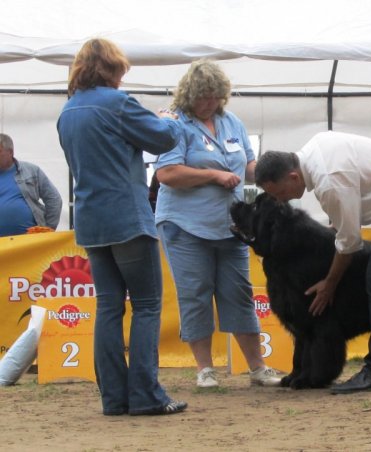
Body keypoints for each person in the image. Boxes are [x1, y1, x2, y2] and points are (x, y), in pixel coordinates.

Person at [56, 38, 187, 416]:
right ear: (112, 69)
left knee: (108, 308)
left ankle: (114, 397)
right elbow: (162, 138)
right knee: (146, 306)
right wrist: (169, 121)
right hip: (128, 217)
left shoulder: (68, 111)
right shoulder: (117, 103)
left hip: (91, 220)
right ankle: (146, 395)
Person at [254, 131, 371, 394]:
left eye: (280, 193)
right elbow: (344, 224)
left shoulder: (328, 180)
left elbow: (351, 241)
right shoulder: (315, 148)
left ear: (293, 176)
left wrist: (329, 283)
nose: (282, 200)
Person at [154, 59, 280, 389]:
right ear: (188, 95)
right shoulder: (175, 124)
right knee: (196, 293)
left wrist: (270, 174)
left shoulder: (232, 122)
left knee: (239, 293)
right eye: (203, 97)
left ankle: (257, 367)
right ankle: (205, 369)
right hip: (185, 226)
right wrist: (213, 174)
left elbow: (248, 165)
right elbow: (166, 174)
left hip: (231, 226)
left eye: (215, 96)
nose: (209, 103)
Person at [0, 133, 62, 237]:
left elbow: (54, 199)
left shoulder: (31, 171)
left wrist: (48, 230)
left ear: (10, 152)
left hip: (30, 243)